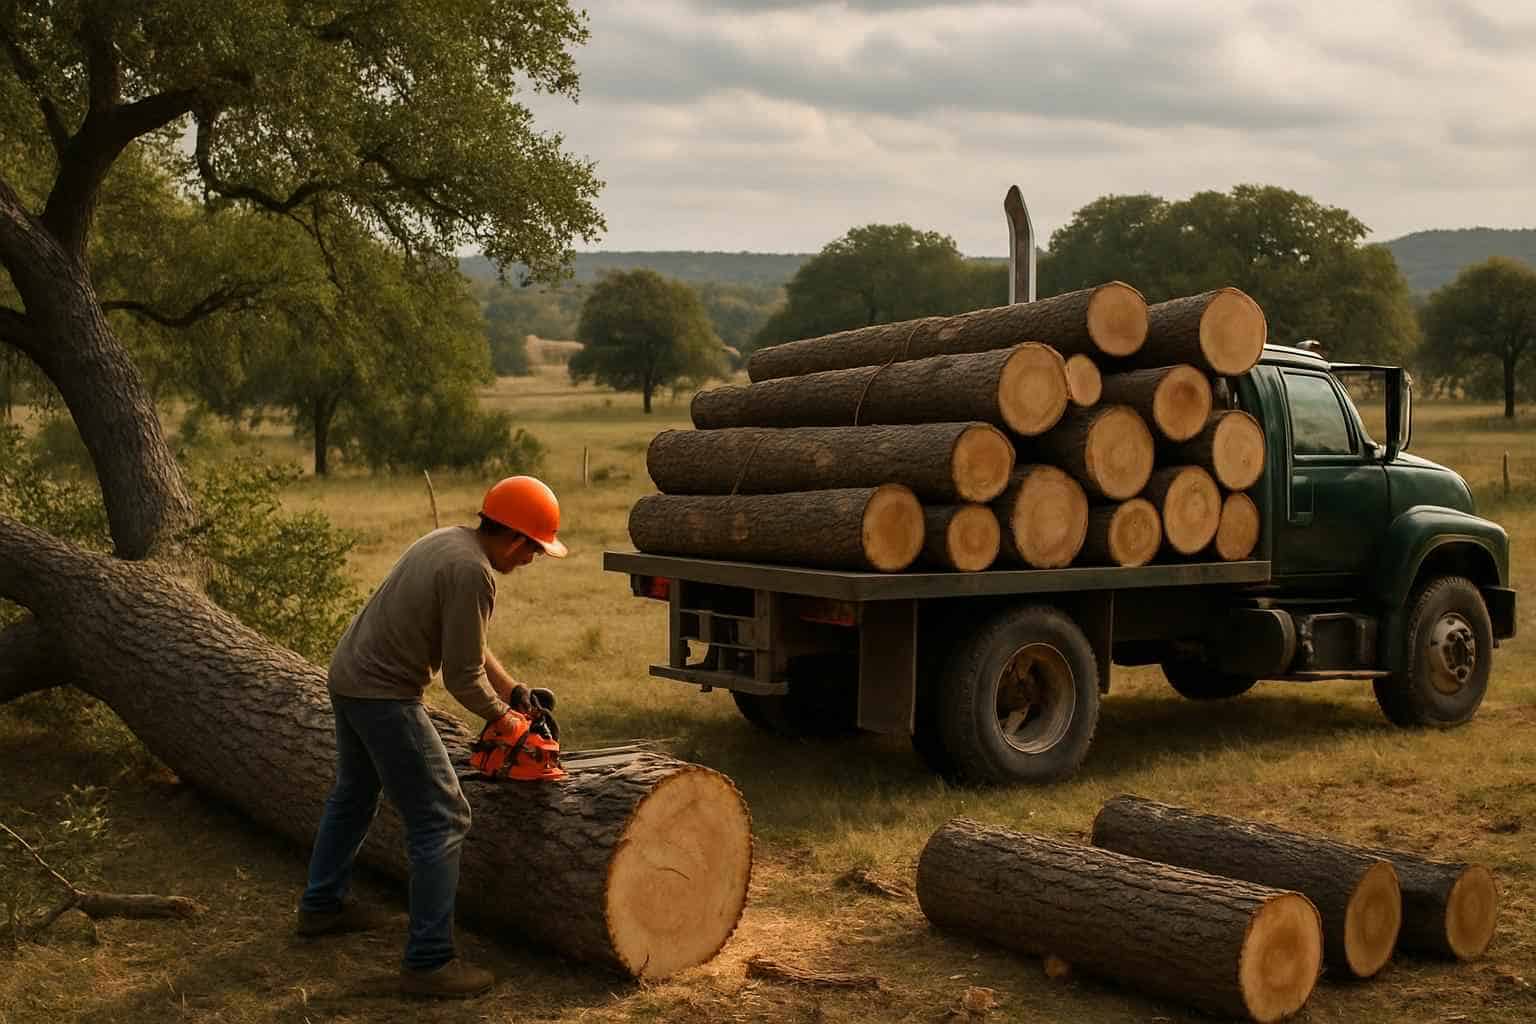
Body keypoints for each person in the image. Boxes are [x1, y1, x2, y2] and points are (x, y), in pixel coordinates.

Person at [294, 476, 568, 998]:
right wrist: (510, 727)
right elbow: (461, 678)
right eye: (534, 550)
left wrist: (513, 692)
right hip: (383, 696)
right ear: (515, 539)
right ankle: (428, 961)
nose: (532, 561)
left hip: (348, 678)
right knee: (444, 817)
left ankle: (321, 907)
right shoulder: (473, 572)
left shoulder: (449, 542)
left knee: (353, 794)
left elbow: (467, 642)